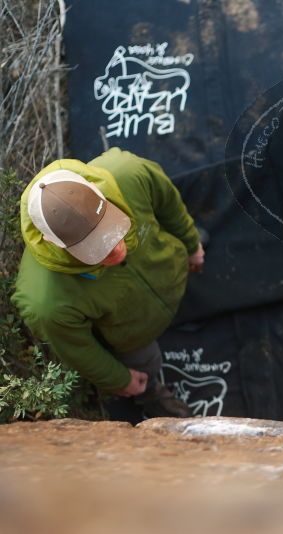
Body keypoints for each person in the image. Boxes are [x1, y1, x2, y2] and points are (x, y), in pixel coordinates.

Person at [12, 147, 205, 418]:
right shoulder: (45, 301)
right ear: (54, 244)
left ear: (98, 191)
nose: (116, 250)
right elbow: (79, 349)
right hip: (133, 333)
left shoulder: (128, 173)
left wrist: (191, 242)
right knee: (147, 367)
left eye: (111, 227)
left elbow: (167, 202)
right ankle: (152, 399)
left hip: (169, 270)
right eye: (94, 248)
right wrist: (120, 380)